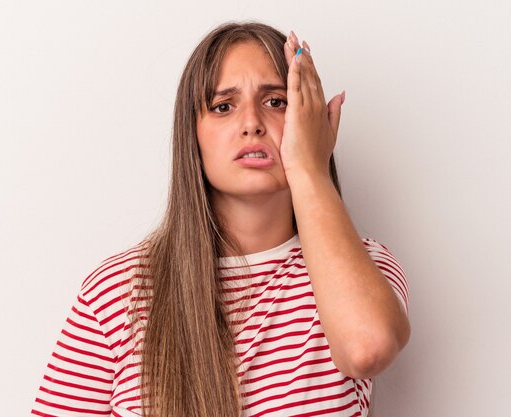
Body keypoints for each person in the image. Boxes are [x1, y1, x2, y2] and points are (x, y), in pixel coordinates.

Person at [31, 21, 410, 417]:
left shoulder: (363, 267)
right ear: (191, 135)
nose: (252, 123)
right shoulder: (117, 292)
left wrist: (309, 168)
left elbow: (368, 348)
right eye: (223, 106)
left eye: (276, 102)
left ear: (310, 119)